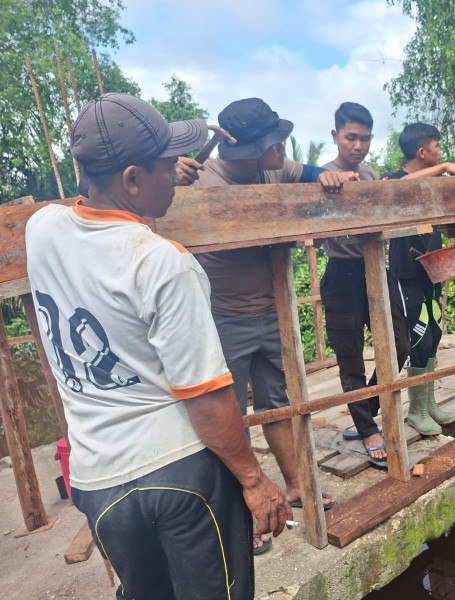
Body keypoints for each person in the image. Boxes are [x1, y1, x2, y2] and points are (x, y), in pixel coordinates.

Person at [25, 93, 291, 600]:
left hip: (96, 481)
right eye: (167, 167)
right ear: (130, 179)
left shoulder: (42, 230)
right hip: (179, 472)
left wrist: (146, 185)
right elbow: (208, 399)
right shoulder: (164, 263)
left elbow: (86, 216)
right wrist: (255, 482)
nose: (176, 176)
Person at [176, 98, 346, 542]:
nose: (284, 151)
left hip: (273, 315)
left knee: (280, 404)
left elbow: (309, 174)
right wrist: (170, 180)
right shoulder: (198, 179)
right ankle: (239, 513)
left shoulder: (276, 170)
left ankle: (293, 486)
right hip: (222, 319)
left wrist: (327, 176)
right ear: (252, 152)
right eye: (276, 144)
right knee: (227, 417)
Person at [382, 122, 455, 435]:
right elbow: (401, 187)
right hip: (406, 274)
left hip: (431, 273)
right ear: (421, 151)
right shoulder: (395, 180)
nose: (440, 153)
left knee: (435, 334)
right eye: (437, 147)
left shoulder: (437, 183)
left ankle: (429, 403)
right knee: (419, 339)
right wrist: (446, 168)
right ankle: (415, 410)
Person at [319, 102, 390, 462]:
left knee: (401, 340)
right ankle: (366, 427)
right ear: (335, 136)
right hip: (341, 273)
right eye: (351, 137)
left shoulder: (371, 173)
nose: (358, 145)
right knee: (350, 357)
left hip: (375, 268)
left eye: (364, 138)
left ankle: (367, 406)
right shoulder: (322, 175)